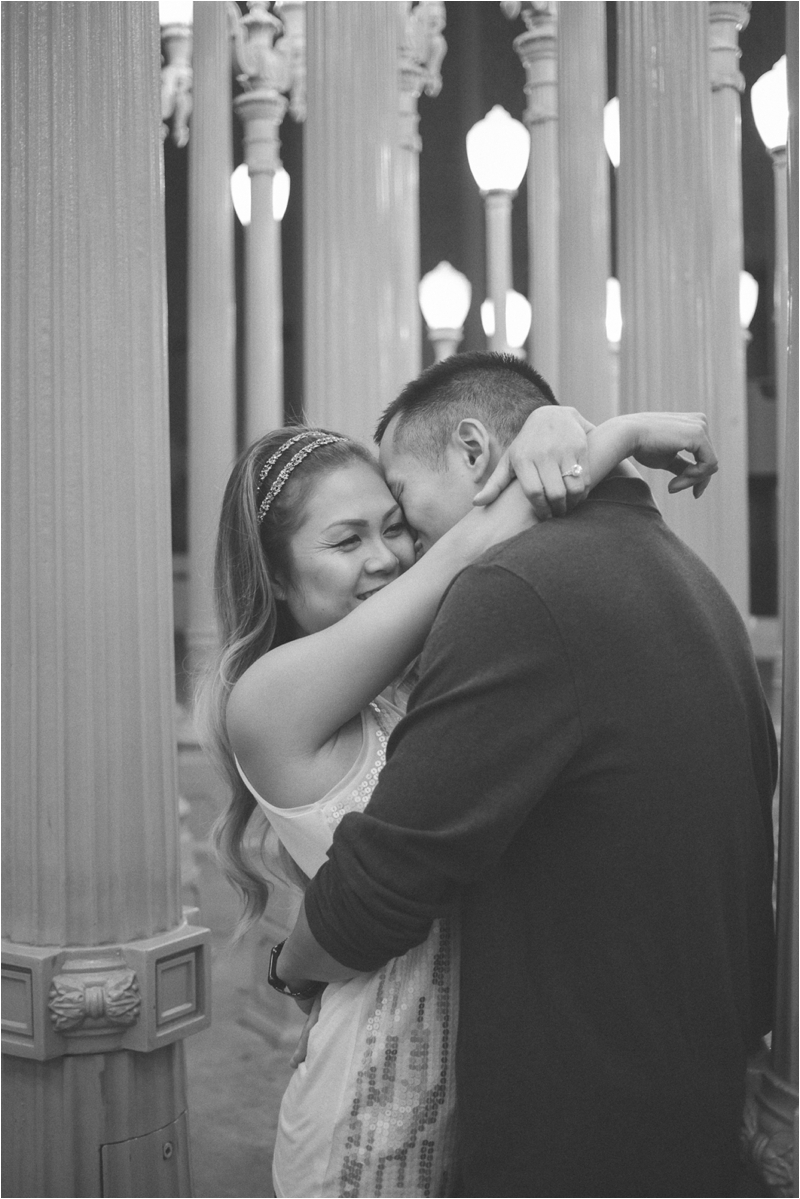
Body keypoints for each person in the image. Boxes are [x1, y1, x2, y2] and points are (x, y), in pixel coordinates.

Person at [199, 362, 719, 1199]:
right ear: (279, 576)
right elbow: (473, 542)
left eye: (395, 526)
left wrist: (549, 429)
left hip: (487, 1086)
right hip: (372, 1100)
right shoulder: (263, 699)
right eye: (345, 541)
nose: (387, 557)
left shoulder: (433, 650)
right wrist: (608, 434)